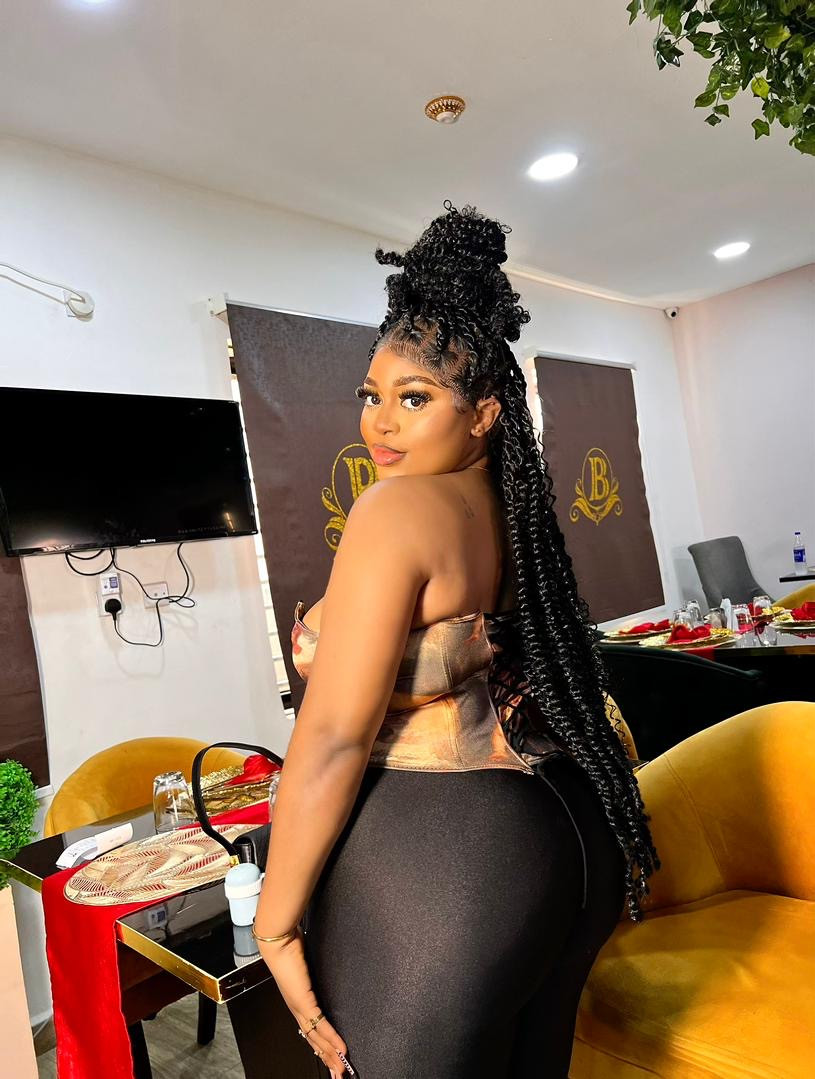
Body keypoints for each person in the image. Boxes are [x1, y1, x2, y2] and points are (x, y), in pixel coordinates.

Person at [252, 200, 661, 1078]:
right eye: (370, 396)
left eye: (415, 397)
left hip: (454, 864)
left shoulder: (394, 509)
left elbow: (333, 738)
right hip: (564, 843)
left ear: (482, 414)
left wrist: (275, 921)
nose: (380, 422)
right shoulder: (510, 516)